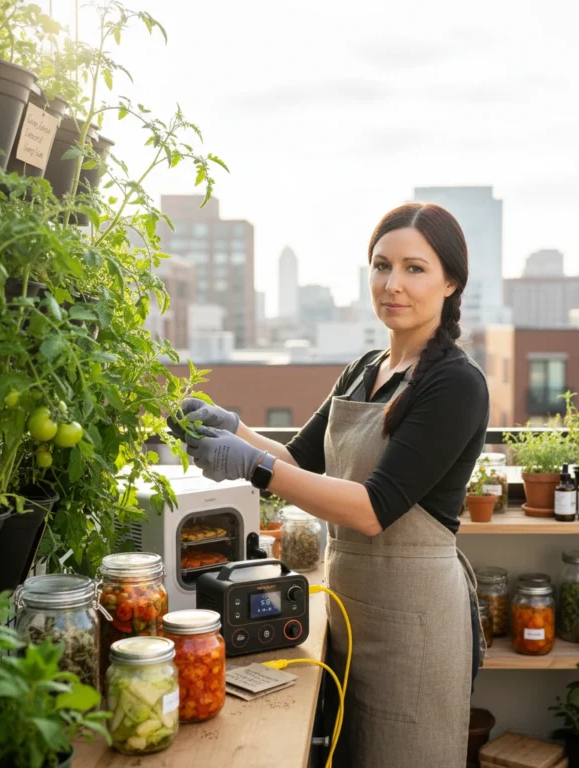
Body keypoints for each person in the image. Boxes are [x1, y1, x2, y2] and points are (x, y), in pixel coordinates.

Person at [169, 202, 490, 768]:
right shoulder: (365, 368)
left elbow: (371, 508)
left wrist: (250, 465)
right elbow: (297, 458)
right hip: (347, 612)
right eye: (381, 265)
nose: (393, 284)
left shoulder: (456, 384)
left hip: (414, 623)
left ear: (451, 282)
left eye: (415, 268)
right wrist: (235, 427)